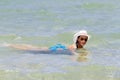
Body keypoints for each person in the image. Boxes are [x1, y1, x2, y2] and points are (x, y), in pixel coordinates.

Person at [5, 30, 90, 55]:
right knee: (32, 49)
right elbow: (72, 53)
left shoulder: (80, 47)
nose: (84, 41)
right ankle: (10, 45)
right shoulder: (73, 46)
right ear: (77, 39)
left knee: (34, 47)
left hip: (57, 49)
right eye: (82, 39)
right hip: (53, 50)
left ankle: (11, 45)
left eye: (85, 39)